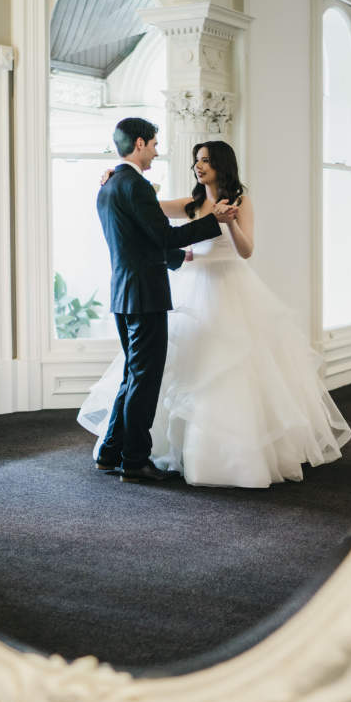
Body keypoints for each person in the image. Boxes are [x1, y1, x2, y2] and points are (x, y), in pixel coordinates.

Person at [79, 140, 351, 488]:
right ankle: (140, 451)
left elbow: (247, 250)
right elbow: (144, 208)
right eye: (197, 160)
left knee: (230, 368)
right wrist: (115, 174)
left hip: (230, 288)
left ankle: (225, 456)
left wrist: (230, 223)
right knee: (165, 371)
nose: (199, 166)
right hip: (190, 293)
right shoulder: (190, 204)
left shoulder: (241, 201)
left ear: (221, 164)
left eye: (206, 160)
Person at [90, 118, 239, 482]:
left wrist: (177, 258)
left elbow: (138, 240)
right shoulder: (134, 185)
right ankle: (135, 460)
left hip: (124, 295)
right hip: (145, 296)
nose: (157, 151)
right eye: (155, 144)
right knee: (145, 378)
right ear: (140, 143)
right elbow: (162, 236)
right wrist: (214, 221)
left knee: (132, 374)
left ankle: (111, 452)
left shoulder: (108, 186)